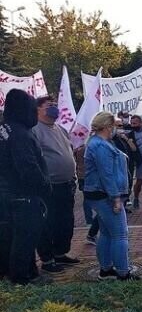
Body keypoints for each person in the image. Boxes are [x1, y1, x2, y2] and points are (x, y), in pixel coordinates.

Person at [0, 89, 51, 285]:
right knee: (24, 239)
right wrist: (45, 187)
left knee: (10, 238)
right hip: (23, 196)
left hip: (7, 195)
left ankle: (24, 273)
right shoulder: (20, 134)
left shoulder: (5, 129)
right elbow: (28, 168)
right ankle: (21, 280)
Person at [84, 112, 139, 281]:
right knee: (120, 234)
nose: (117, 128)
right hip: (105, 195)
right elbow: (106, 174)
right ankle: (123, 272)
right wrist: (115, 198)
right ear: (108, 127)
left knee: (107, 233)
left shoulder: (99, 143)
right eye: (115, 125)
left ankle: (106, 269)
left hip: (100, 194)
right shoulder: (100, 146)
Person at [31, 96, 80, 272]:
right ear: (37, 109)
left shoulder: (61, 129)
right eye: (49, 106)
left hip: (66, 184)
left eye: (55, 105)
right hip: (49, 186)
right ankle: (48, 259)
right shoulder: (35, 130)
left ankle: (61, 253)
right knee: (48, 222)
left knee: (65, 221)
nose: (54, 108)